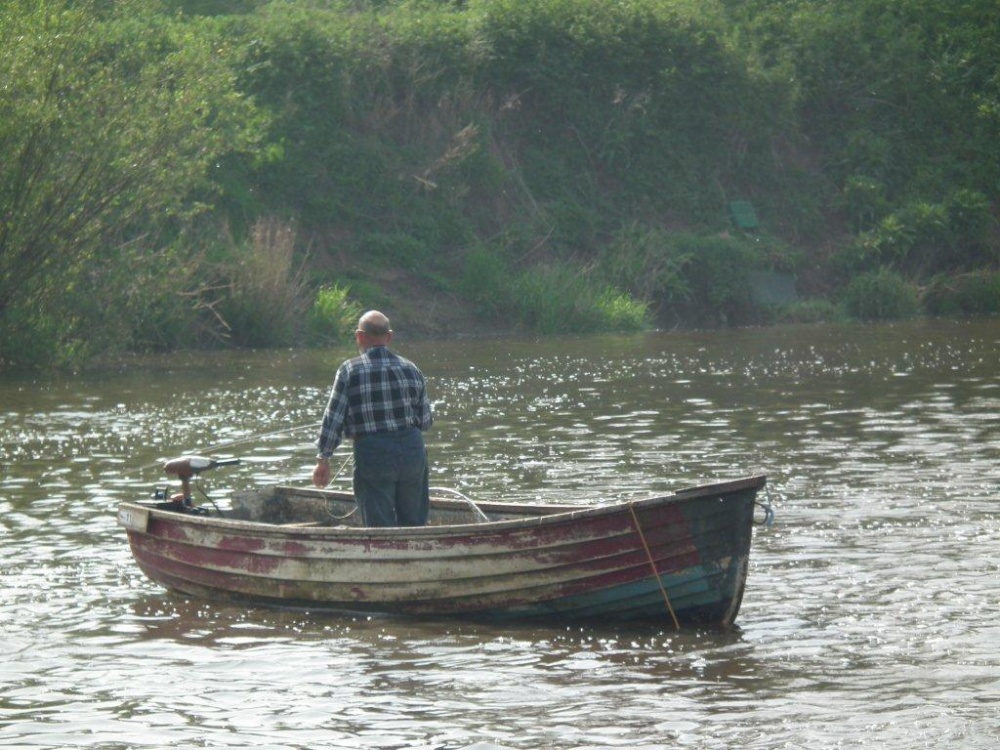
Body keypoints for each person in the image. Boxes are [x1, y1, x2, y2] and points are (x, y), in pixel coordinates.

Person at [312, 310, 433, 527]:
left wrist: (323, 459)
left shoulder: (349, 370)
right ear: (389, 337)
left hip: (373, 453)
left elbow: (333, 418)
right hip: (413, 450)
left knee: (379, 525)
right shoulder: (411, 369)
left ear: (360, 336)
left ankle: (385, 557)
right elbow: (424, 421)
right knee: (415, 521)